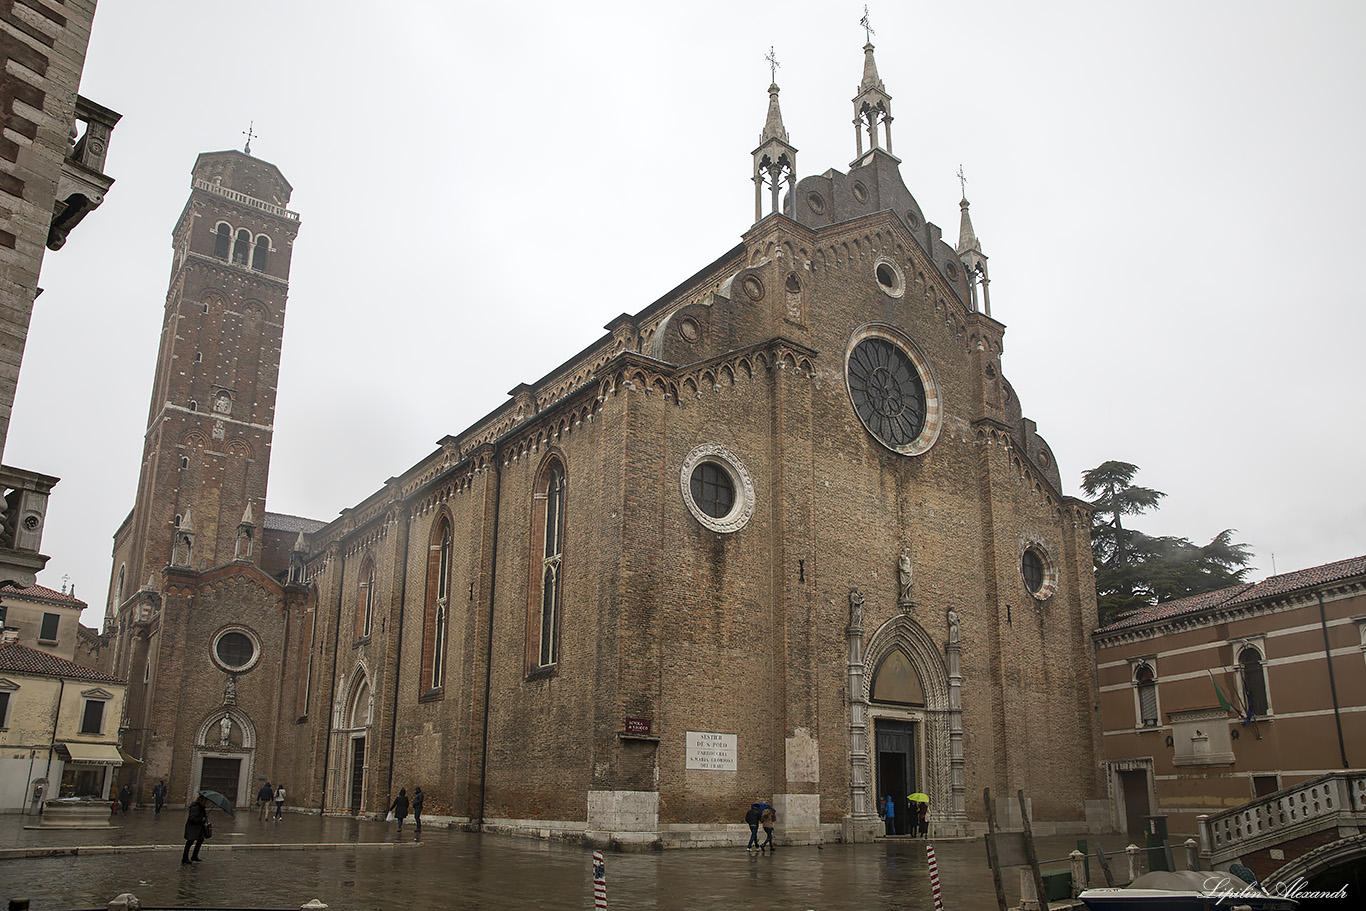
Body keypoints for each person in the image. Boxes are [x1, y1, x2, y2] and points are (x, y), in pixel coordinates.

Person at [182, 794, 208, 864]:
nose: (205, 803)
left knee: (200, 840)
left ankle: (194, 856)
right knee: (190, 842)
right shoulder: (195, 808)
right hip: (193, 828)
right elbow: (192, 818)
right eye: (205, 801)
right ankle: (185, 858)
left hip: (199, 828)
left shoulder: (201, 808)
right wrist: (201, 819)